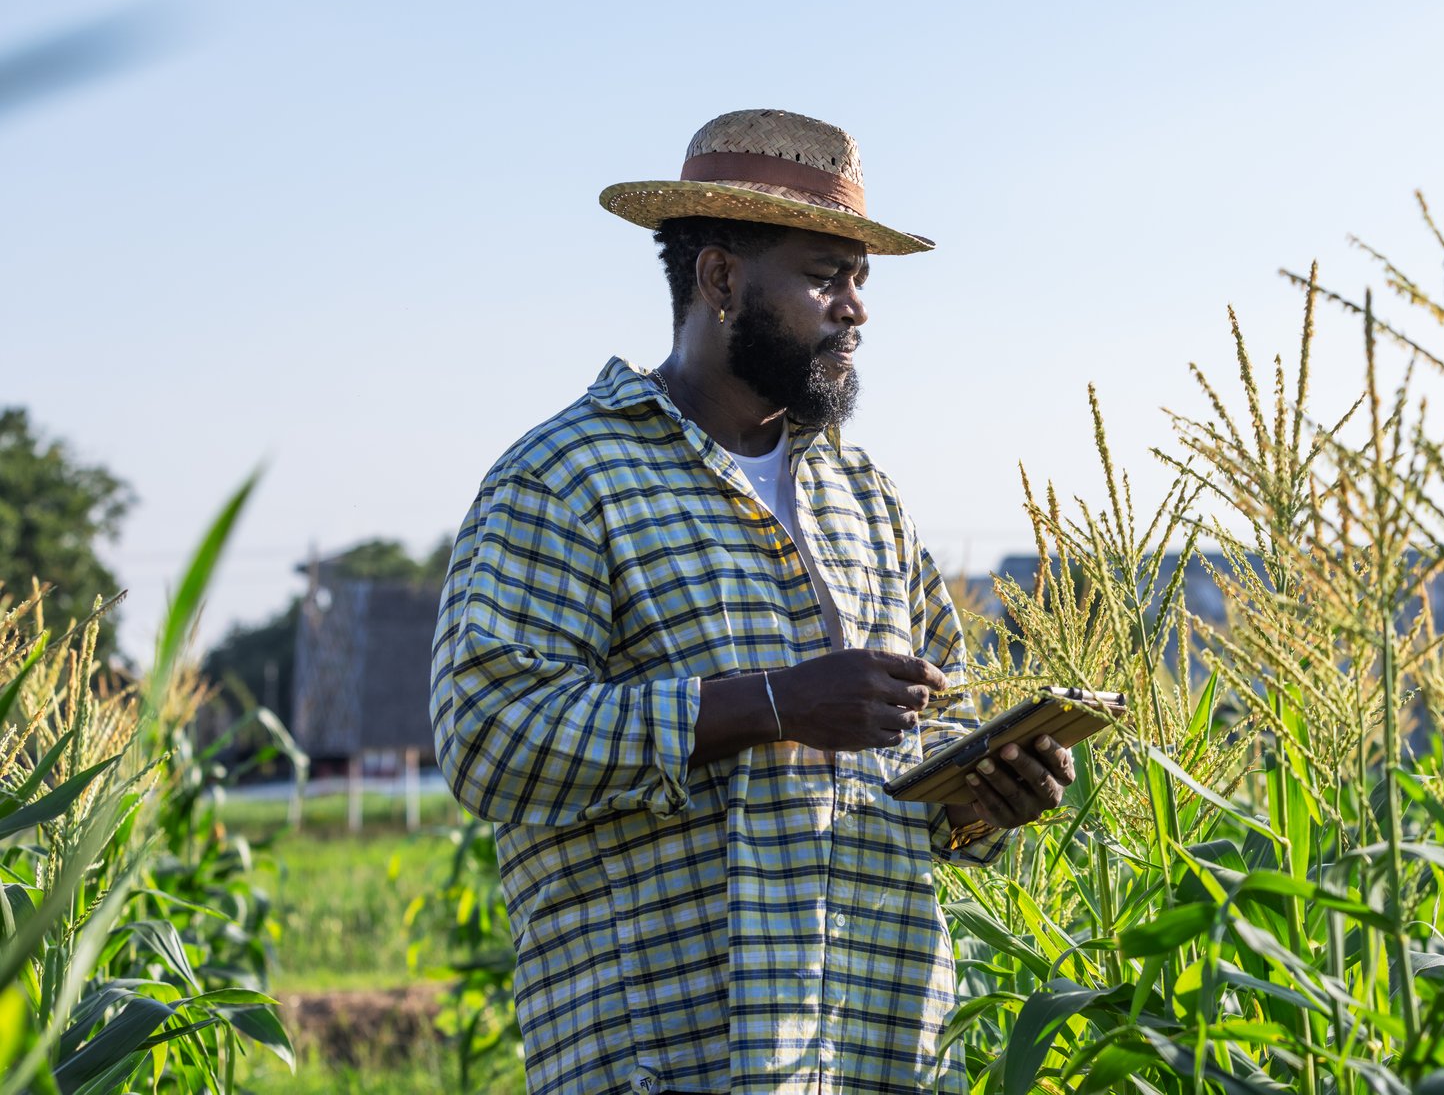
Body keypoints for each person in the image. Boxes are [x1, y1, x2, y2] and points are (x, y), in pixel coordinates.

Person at [429, 109, 1076, 1095]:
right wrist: (771, 705)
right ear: (722, 278)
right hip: (665, 1059)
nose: (854, 308)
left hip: (879, 1048)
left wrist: (986, 795)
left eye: (861, 279)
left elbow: (929, 741)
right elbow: (488, 735)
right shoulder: (565, 476)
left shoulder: (868, 500)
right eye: (825, 275)